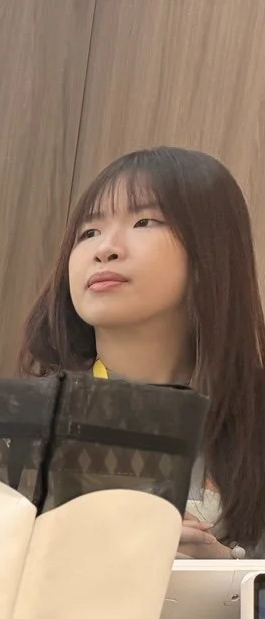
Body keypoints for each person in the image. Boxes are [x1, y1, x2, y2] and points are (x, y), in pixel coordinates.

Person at [20, 146, 265, 558]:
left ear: (212, 252)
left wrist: (220, 576)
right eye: (89, 232)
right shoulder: (24, 422)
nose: (105, 249)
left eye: (144, 221)